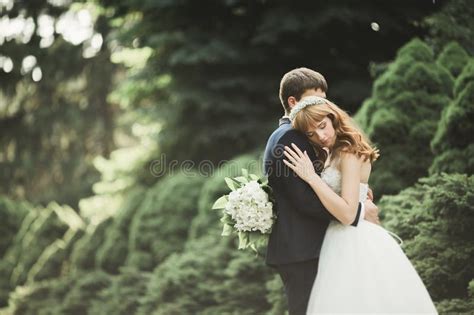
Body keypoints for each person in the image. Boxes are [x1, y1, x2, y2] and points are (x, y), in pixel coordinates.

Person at [283, 95, 437, 314]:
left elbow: (348, 214)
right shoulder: (330, 153)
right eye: (311, 134)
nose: (320, 136)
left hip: (354, 239)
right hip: (335, 239)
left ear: (332, 117)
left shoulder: (348, 152)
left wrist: (311, 177)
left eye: (322, 126)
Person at [263, 67, 380, 315]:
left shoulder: (303, 139)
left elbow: (336, 183)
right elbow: (304, 200)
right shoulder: (291, 138)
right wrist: (357, 210)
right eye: (313, 99)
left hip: (324, 244)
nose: (320, 134)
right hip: (305, 248)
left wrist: (357, 194)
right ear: (293, 102)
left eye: (324, 102)